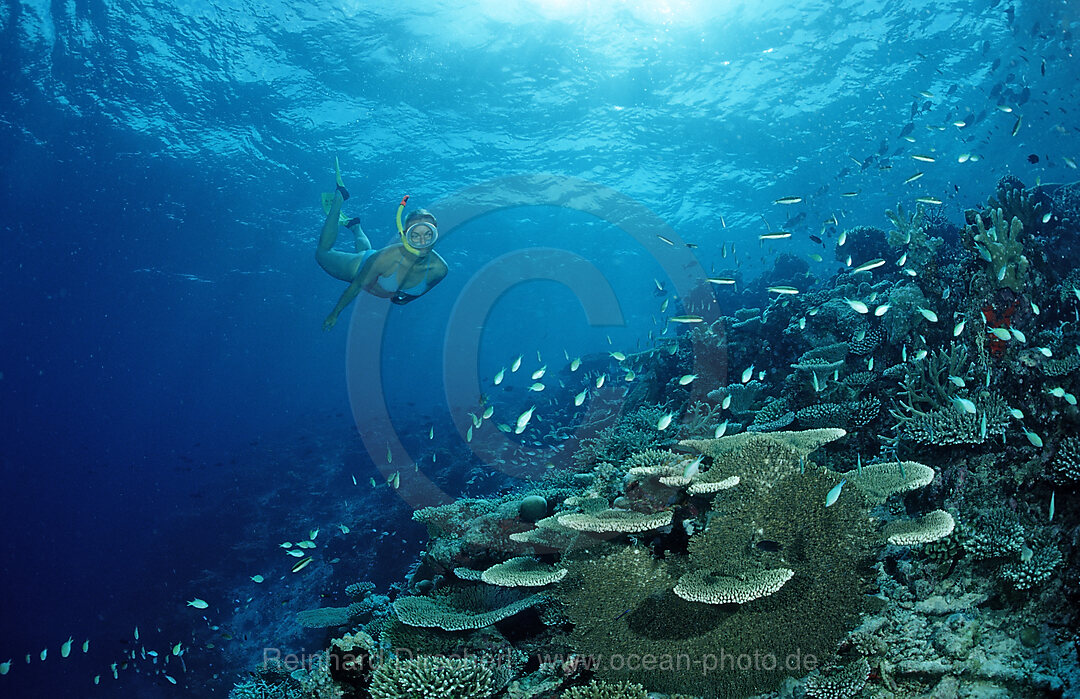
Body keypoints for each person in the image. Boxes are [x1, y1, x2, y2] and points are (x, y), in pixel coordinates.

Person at [316, 162, 448, 330]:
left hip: (374, 259)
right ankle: (339, 197)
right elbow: (357, 285)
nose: (422, 242)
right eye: (414, 235)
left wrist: (403, 299)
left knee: (366, 251)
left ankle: (355, 226)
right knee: (322, 253)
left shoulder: (440, 270)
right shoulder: (388, 257)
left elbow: (408, 296)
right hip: (360, 266)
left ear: (436, 234)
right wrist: (335, 313)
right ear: (404, 236)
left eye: (428, 234)